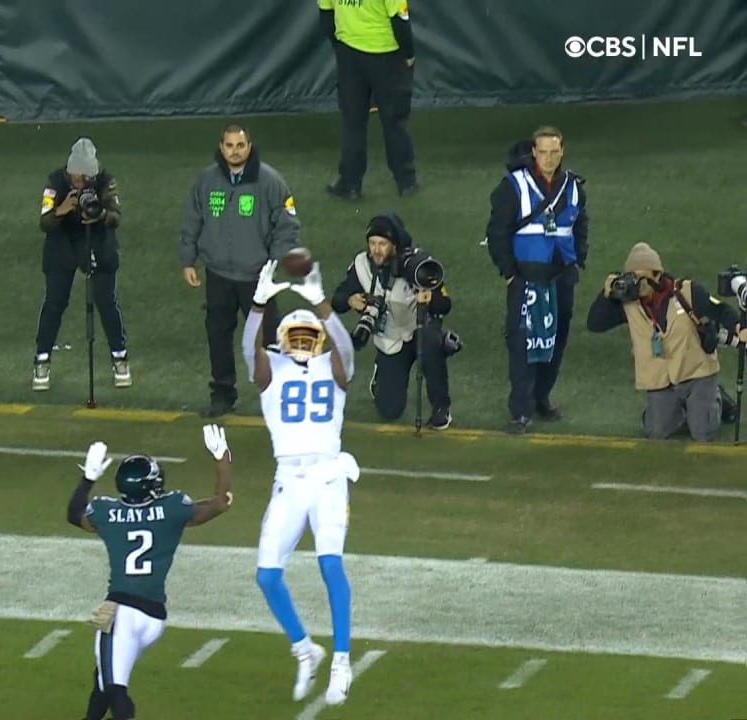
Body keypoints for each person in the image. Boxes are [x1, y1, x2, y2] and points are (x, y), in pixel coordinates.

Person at [243, 260, 361, 705]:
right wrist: (259, 303)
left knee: (331, 565)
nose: (301, 342)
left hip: (328, 474)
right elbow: (246, 348)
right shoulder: (270, 369)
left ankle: (342, 662)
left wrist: (321, 304)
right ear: (280, 340)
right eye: (294, 335)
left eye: (308, 334)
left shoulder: (334, 365)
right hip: (288, 478)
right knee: (267, 575)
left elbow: (347, 355)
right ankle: (305, 648)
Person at [66, 425, 234, 720]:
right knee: (103, 681)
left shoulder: (106, 512)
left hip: (122, 613)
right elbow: (221, 502)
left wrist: (88, 478)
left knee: (115, 689)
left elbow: (74, 514)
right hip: (154, 617)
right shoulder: (172, 508)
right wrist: (222, 458)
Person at [179, 124, 300, 418]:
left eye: (240, 145)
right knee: (218, 334)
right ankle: (222, 394)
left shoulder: (270, 181)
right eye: (229, 145)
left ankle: (276, 394)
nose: (235, 151)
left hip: (257, 276)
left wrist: (272, 263)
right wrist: (188, 260)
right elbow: (192, 220)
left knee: (269, 336)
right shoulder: (207, 180)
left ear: (249, 146)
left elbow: (288, 225)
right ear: (221, 147)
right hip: (218, 273)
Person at [485, 126, 589, 434]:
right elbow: (497, 232)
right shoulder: (512, 186)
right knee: (522, 343)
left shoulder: (573, 186)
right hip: (525, 278)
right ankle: (520, 410)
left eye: (554, 152)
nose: (548, 158)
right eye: (543, 152)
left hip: (561, 277)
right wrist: (508, 272)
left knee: (555, 340)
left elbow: (581, 224)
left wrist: (578, 260)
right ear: (533, 152)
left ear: (562, 152)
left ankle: (541, 398)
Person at [585, 243, 744, 442]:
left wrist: (739, 326)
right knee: (657, 432)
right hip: (661, 380)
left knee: (704, 433)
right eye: (631, 276)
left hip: (696, 373)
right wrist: (606, 295)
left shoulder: (686, 291)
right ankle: (682, 410)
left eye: (640, 277)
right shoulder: (628, 303)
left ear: (656, 274)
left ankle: (717, 399)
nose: (636, 283)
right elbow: (594, 324)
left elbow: (720, 310)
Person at [331, 212, 453, 428]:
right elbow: (337, 301)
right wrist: (351, 300)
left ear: (395, 245)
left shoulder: (419, 265)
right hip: (390, 338)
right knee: (389, 411)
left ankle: (441, 407)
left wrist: (431, 299)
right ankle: (381, 378)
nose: (376, 250)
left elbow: (445, 305)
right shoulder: (361, 265)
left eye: (383, 244)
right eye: (372, 243)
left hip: (419, 330)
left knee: (432, 342)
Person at [33, 137, 130, 391]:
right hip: (62, 243)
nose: (81, 183)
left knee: (107, 302)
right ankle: (42, 360)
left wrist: (101, 215)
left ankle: (120, 358)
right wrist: (61, 210)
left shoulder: (106, 181)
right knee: (54, 302)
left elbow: (116, 216)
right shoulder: (54, 182)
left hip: (96, 241)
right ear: (69, 172)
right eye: (76, 178)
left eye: (86, 178)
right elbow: (43, 222)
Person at [318, 0, 418, 199]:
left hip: (349, 54)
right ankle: (406, 182)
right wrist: (409, 54)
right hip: (386, 55)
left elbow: (326, 20)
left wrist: (344, 44)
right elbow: (400, 21)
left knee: (353, 121)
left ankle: (350, 183)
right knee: (394, 121)